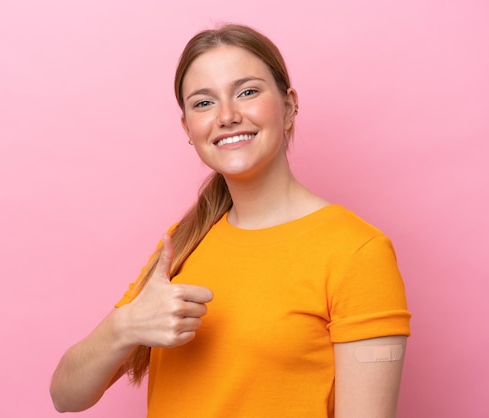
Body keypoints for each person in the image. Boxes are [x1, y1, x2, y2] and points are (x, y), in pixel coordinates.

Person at [50, 23, 411, 418]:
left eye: (247, 92)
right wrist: (124, 327)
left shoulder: (358, 253)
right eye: (203, 103)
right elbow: (66, 397)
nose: (227, 115)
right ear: (188, 128)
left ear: (288, 106)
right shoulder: (183, 243)